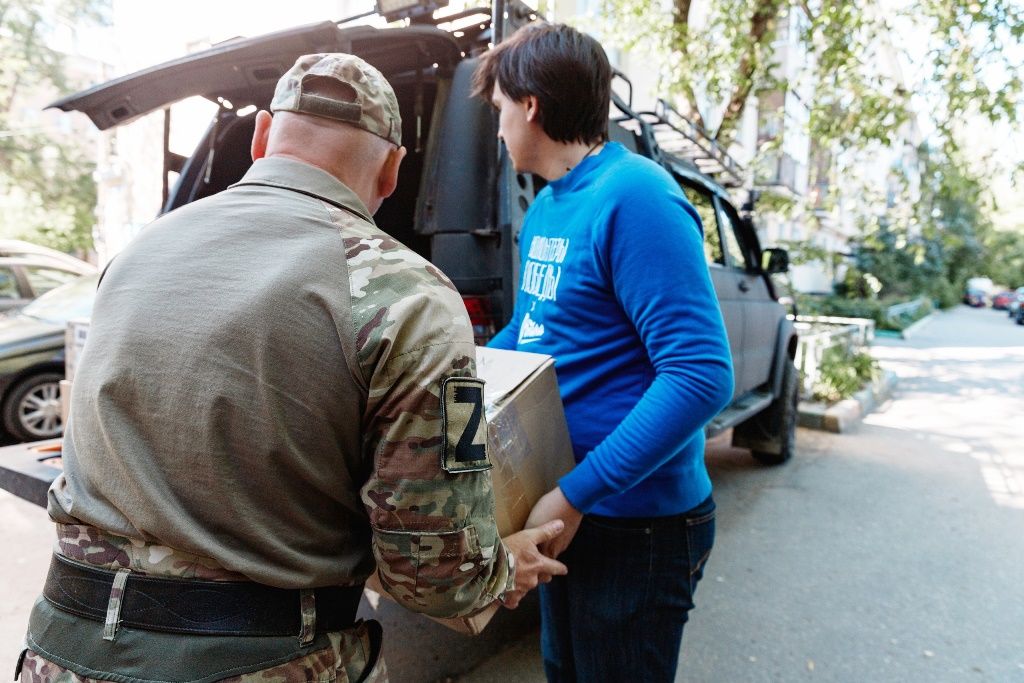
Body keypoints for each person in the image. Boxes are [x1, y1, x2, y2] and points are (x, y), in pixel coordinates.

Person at [17, 53, 567, 683]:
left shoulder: (137, 252)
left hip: (60, 655)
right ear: (391, 171)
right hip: (264, 663)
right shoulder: (412, 298)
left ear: (259, 137)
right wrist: (502, 569)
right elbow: (434, 572)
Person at [474, 24, 735, 682]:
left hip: (635, 526)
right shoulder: (549, 209)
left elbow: (701, 374)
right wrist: (456, 374)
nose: (498, 127)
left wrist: (575, 493)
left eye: (500, 108)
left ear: (531, 104)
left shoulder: (635, 194)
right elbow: (533, 338)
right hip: (573, 508)